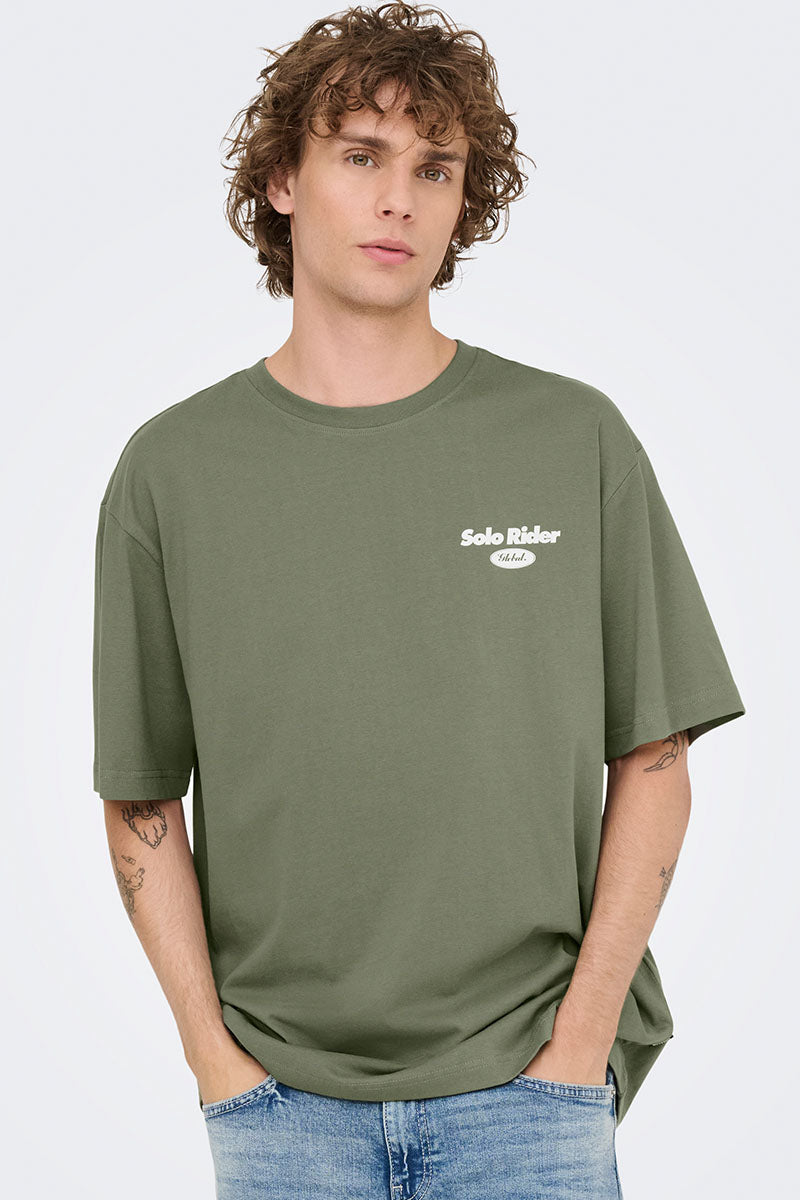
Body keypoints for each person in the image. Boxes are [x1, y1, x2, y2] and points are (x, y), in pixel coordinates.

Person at [91, 4, 746, 1197]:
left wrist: (577, 1049)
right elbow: (140, 796)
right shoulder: (172, 470)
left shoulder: (571, 439)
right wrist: (215, 1066)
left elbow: (654, 757)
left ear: (461, 203)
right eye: (361, 155)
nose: (398, 199)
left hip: (531, 1101)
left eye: (434, 168)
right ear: (282, 180)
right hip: (280, 1113)